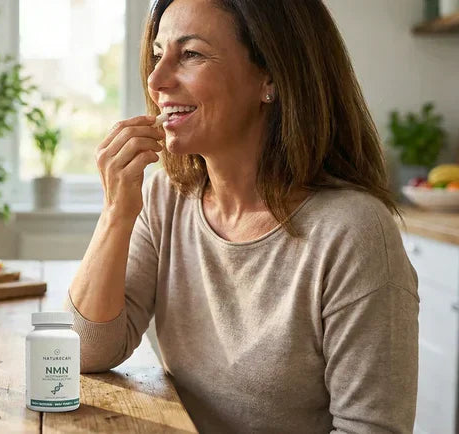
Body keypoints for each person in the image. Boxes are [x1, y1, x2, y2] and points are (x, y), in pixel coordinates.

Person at [66, 0, 419, 432]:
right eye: (158, 55)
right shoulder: (166, 198)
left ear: (270, 76)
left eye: (191, 54)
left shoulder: (354, 233)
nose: (156, 80)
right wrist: (116, 213)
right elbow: (85, 352)